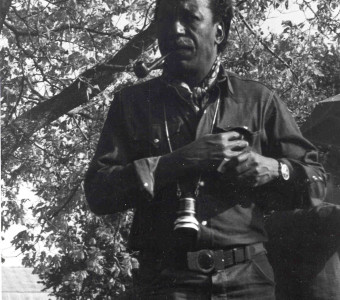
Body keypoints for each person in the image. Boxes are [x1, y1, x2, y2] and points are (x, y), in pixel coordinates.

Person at [84, 0, 326, 298]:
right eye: (165, 20)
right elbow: (98, 192)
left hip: (248, 280)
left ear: (219, 31)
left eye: (189, 19)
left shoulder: (259, 100)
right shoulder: (130, 104)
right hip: (164, 282)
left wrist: (275, 169)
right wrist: (177, 162)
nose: (174, 30)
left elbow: (317, 181)